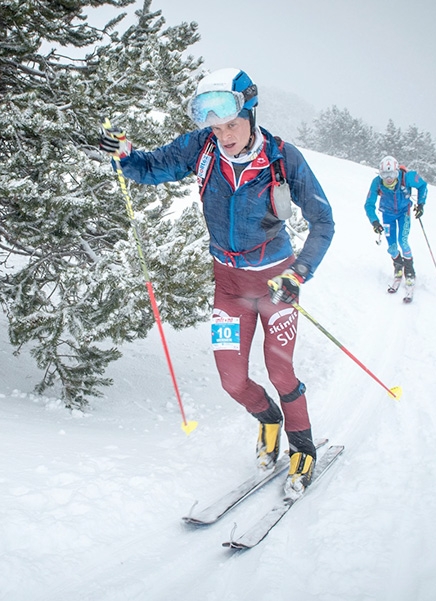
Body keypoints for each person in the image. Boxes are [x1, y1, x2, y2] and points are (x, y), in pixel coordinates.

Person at [98, 68, 334, 500]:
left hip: (275, 281)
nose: (224, 135)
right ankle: (268, 421)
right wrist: (127, 156)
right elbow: (152, 168)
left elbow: (323, 221)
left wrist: (298, 274)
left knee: (281, 372)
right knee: (232, 381)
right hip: (227, 284)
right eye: (215, 126)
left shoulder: (283, 157)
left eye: (232, 124)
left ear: (251, 115)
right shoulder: (201, 148)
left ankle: (303, 448)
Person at [364, 155, 428, 282]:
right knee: (392, 247)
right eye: (384, 175)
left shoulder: (407, 177)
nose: (388, 178)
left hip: (404, 212)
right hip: (387, 215)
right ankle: (398, 265)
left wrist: (420, 204)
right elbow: (369, 204)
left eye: (392, 174)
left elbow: (422, 185)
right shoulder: (376, 182)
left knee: (403, 242)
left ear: (397, 171)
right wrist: (375, 222)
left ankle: (409, 269)